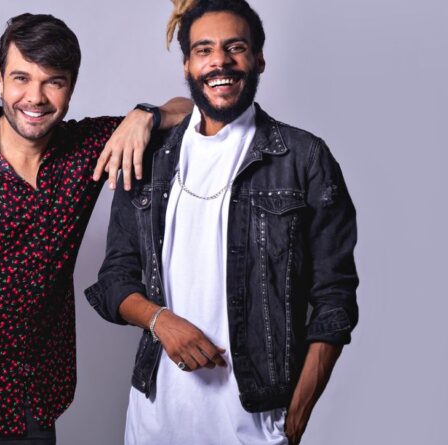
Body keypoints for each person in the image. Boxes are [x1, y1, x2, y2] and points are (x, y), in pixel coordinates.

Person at [0, 13, 192, 445]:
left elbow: (188, 109)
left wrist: (145, 115)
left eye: (53, 82)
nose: (36, 97)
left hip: (31, 399)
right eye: (21, 78)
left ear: (71, 86)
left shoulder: (90, 149)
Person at [84, 0, 359, 444]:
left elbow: (334, 297)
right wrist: (161, 321)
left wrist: (296, 415)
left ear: (258, 59)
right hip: (154, 421)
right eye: (204, 50)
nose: (220, 61)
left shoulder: (303, 158)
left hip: (254, 424)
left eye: (235, 47)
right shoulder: (148, 157)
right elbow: (116, 278)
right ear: (187, 65)